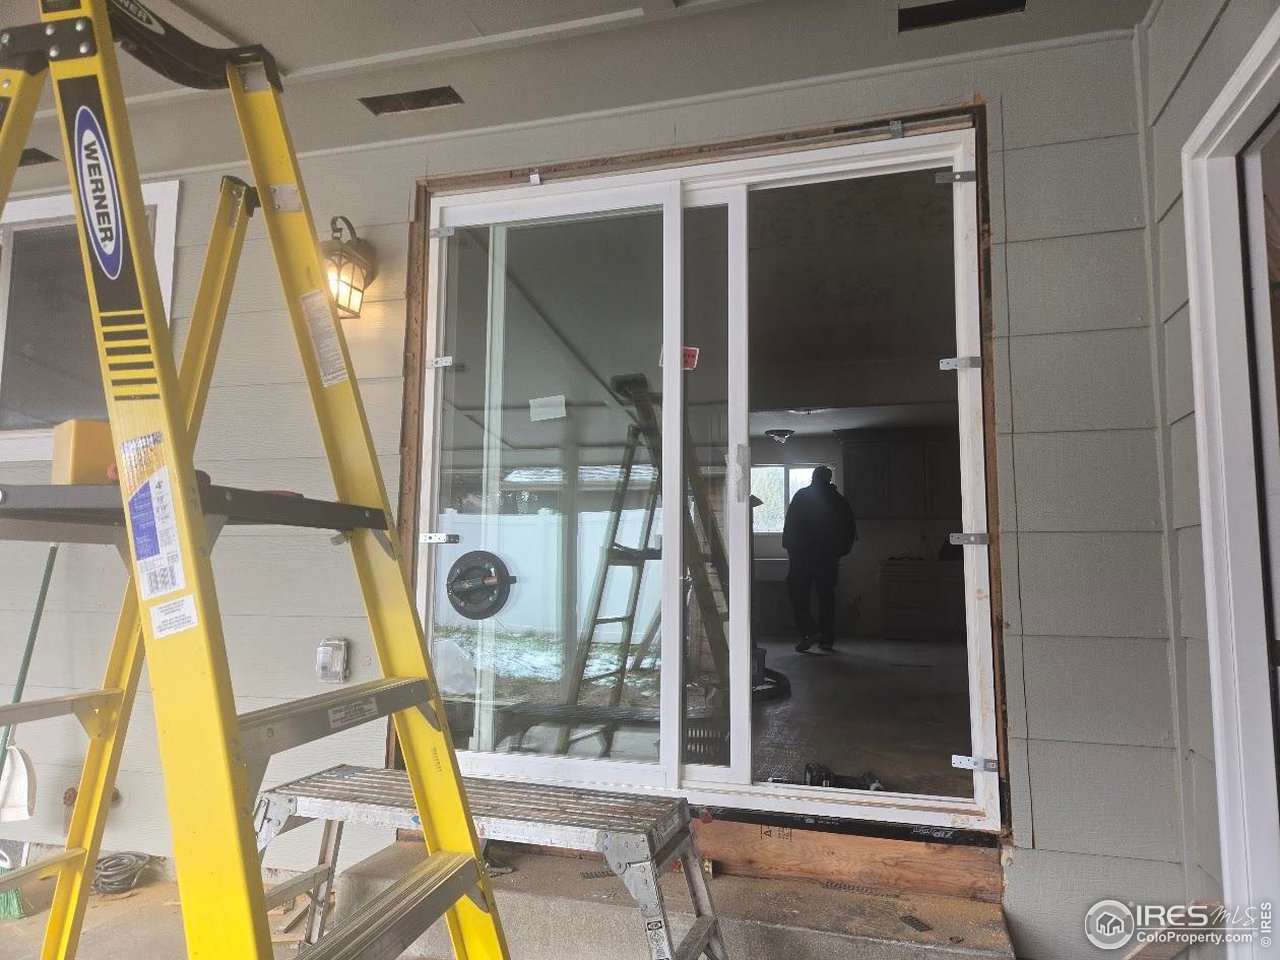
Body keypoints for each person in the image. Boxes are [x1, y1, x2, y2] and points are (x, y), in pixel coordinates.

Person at [783, 465, 856, 653]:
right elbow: (849, 530)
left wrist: (790, 548)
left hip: (802, 555)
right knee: (826, 597)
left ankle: (810, 631)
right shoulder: (839, 501)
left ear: (814, 477)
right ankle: (826, 638)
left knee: (799, 594)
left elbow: (790, 524)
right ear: (829, 479)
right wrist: (839, 551)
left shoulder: (802, 496)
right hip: (826, 556)